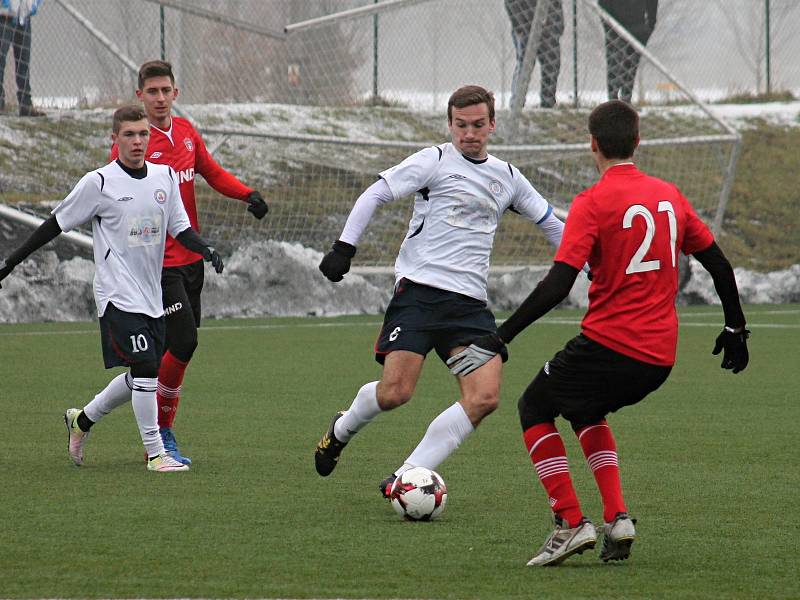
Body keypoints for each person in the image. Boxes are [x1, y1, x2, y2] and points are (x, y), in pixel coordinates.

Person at [447, 100, 750, 566]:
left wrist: (501, 336)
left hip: (610, 344)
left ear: (592, 144)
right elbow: (718, 263)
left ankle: (569, 523)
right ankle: (618, 517)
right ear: (637, 141)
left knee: (534, 406)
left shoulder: (592, 203)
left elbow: (558, 284)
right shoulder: (669, 195)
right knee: (586, 408)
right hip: (659, 359)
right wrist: (735, 326)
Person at [314, 85, 570, 498]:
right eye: (461, 125)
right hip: (418, 294)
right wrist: (344, 246)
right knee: (396, 392)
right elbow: (376, 192)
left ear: (492, 125)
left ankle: (408, 473)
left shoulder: (507, 177)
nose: (470, 133)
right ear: (450, 125)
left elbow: (552, 224)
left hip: (468, 307)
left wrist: (592, 263)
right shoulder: (434, 161)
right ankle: (341, 429)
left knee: (485, 396)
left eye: (478, 125)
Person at [0, 106, 226, 471]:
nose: (137, 141)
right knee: (149, 367)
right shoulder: (100, 183)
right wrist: (12, 260)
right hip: (116, 293)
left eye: (142, 135)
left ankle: (82, 420)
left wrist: (206, 249)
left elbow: (180, 227)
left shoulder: (164, 177)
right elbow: (55, 224)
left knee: (140, 374)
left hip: (151, 294)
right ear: (115, 139)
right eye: (129, 135)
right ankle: (156, 454)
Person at [110, 60, 269, 465]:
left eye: (166, 91)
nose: (160, 99)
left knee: (169, 352)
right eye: (152, 92)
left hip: (191, 261)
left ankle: (87, 417)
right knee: (184, 342)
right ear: (139, 95)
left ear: (175, 94)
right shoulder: (134, 144)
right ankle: (161, 433)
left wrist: (247, 194)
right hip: (156, 265)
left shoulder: (185, 134)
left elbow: (212, 172)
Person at [504, 0, 563, 109]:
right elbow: (510, 3)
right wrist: (520, 25)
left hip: (549, 28)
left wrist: (558, 25)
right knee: (524, 65)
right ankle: (517, 104)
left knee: (552, 65)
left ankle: (548, 104)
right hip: (525, 27)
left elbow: (556, 4)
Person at [599, 0, 658, 103]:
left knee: (630, 69)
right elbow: (603, 4)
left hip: (637, 26)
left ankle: (625, 103)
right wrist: (608, 26)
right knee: (615, 69)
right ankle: (613, 105)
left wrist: (649, 25)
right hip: (615, 26)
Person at [0, 0, 44, 116]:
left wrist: (34, 5)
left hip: (23, 15)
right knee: (1, 59)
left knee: (23, 62)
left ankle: (25, 104)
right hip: (4, 15)